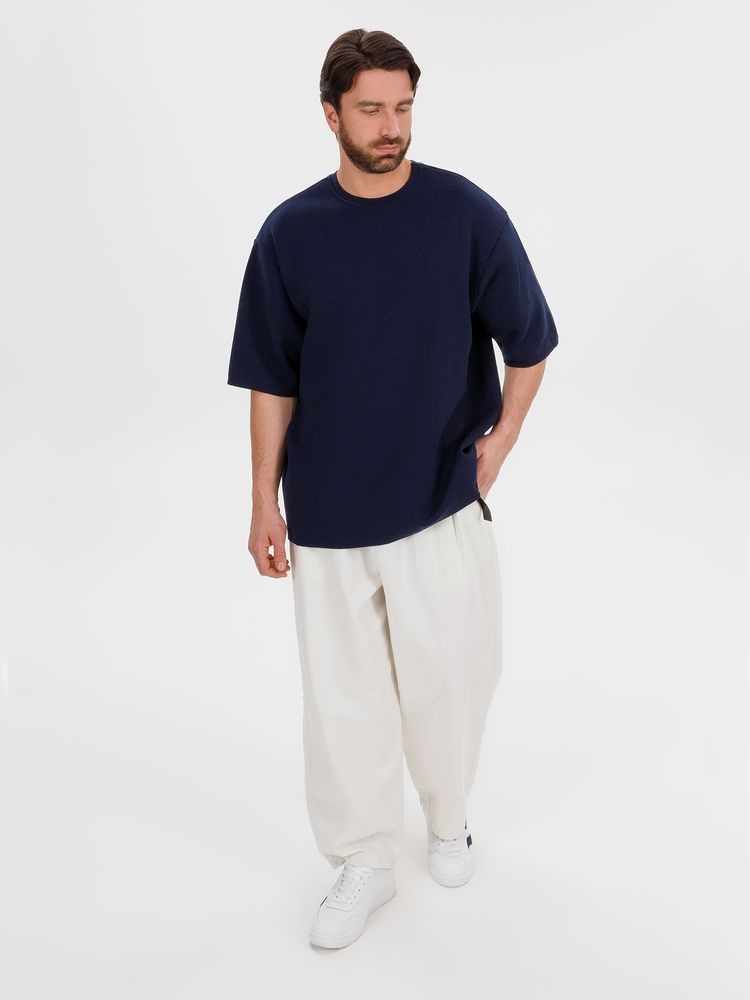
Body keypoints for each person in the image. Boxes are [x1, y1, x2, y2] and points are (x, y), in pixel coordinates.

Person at [227, 28, 559, 950]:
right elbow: (270, 379)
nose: (391, 127)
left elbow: (531, 340)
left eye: (403, 107)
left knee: (453, 680)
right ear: (330, 114)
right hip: (328, 511)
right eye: (371, 109)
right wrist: (262, 500)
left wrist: (502, 441)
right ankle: (365, 858)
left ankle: (448, 818)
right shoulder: (291, 233)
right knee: (344, 702)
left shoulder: (464, 214)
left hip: (437, 498)